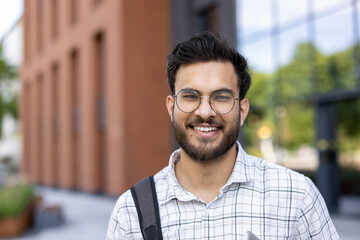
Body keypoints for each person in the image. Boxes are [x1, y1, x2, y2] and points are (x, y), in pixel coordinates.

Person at [106, 31, 339, 239]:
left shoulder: (296, 196)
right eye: (190, 96)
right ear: (171, 107)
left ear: (242, 110)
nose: (205, 112)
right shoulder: (131, 212)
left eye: (221, 97)